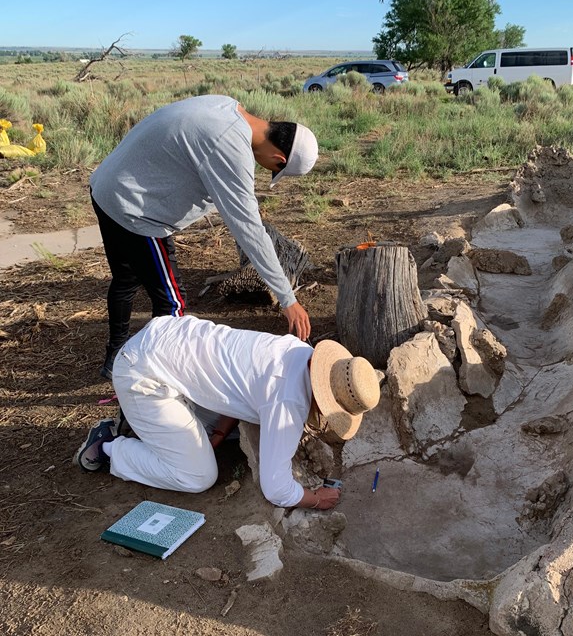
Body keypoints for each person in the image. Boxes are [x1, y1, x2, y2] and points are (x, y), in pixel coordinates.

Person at [89, 95, 319, 379]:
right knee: (172, 304)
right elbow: (249, 228)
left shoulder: (226, 106)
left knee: (126, 280)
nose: (265, 170)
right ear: (279, 159)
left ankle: (115, 357)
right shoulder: (231, 146)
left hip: (107, 187)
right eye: (273, 171)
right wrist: (288, 299)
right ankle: (156, 376)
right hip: (137, 211)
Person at [74, 315, 380, 511]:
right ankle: (110, 447)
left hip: (167, 338)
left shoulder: (296, 351)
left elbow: (241, 386)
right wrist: (314, 498)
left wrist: (220, 431)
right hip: (143, 374)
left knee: (224, 436)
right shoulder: (288, 403)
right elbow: (276, 489)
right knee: (197, 476)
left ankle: (147, 423)